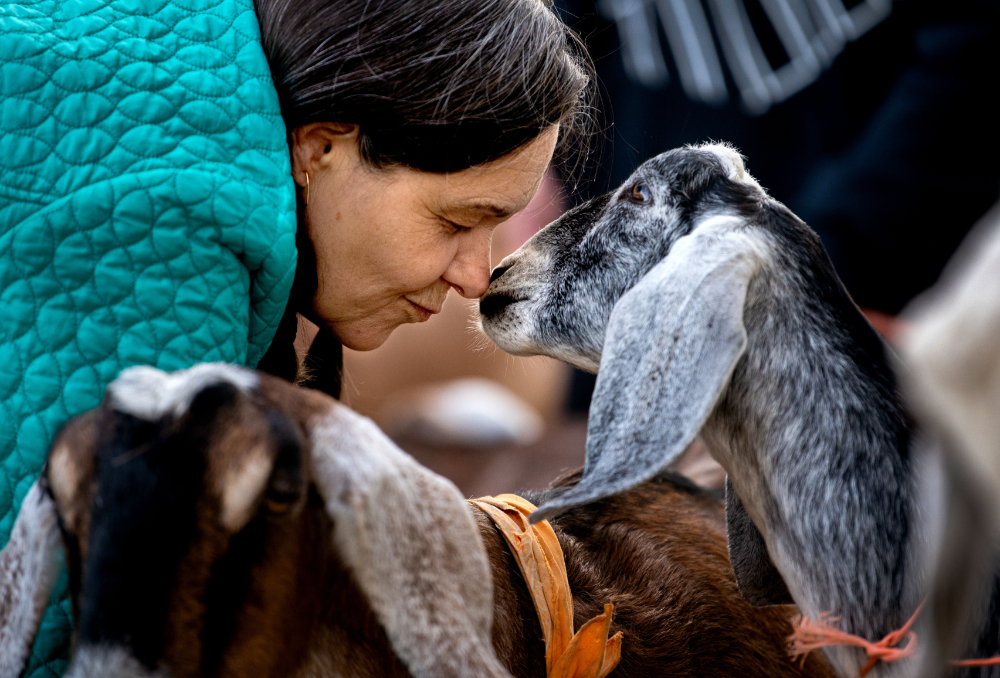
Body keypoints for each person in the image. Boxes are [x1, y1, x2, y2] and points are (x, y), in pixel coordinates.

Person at [0, 0, 591, 674]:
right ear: (321, 149)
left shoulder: (196, 90)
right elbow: (69, 636)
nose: (475, 278)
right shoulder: (171, 238)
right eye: (456, 222)